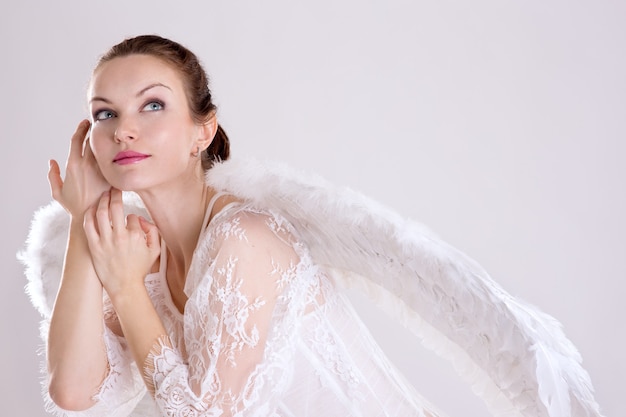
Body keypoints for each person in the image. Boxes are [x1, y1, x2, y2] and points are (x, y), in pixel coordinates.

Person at [19, 34, 603, 417]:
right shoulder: (136, 249)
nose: (123, 129)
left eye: (152, 105)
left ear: (203, 131)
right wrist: (83, 221)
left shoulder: (244, 237)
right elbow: (75, 394)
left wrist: (123, 288)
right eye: (104, 114)